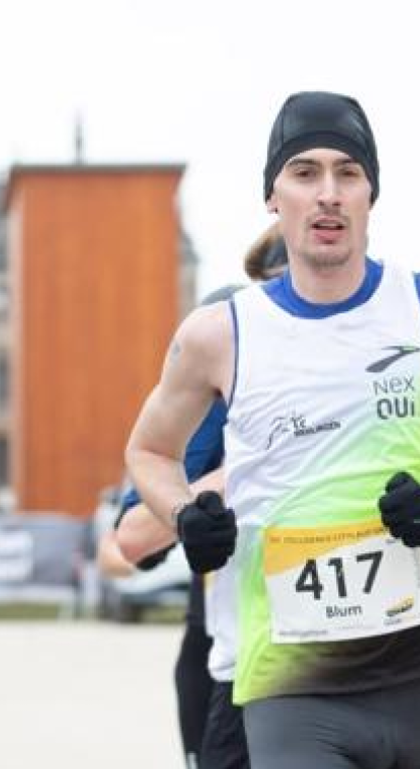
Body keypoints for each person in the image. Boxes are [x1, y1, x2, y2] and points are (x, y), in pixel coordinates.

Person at [124, 90, 420, 769]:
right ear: (273, 196)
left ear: (370, 193)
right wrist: (183, 511)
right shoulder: (217, 334)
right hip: (292, 679)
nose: (328, 194)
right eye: (305, 172)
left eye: (348, 173)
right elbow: (147, 450)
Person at [112, 226, 288, 770]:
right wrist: (241, 476)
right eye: (281, 293)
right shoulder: (222, 349)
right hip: (224, 647)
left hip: (361, 654)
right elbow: (130, 542)